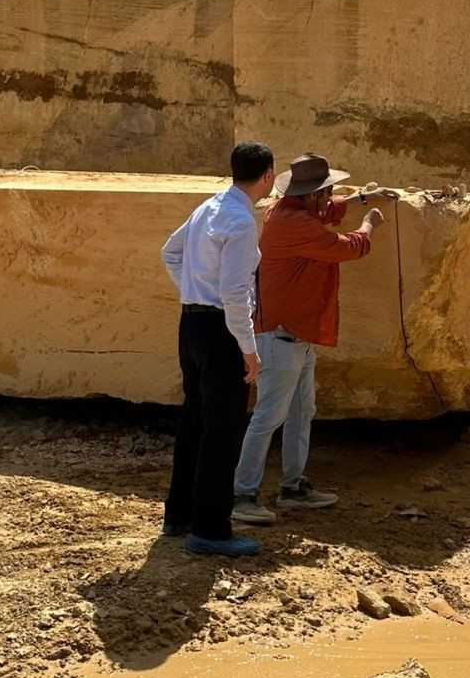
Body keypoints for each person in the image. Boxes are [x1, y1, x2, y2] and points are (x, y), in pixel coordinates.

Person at [233, 153, 397, 525]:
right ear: (308, 195)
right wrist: (370, 223)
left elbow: (328, 212)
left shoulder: (290, 211)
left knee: (301, 411)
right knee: (268, 417)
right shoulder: (295, 222)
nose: (328, 198)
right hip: (281, 335)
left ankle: (292, 488)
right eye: (325, 192)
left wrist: (362, 200)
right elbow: (348, 247)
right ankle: (241, 494)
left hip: (295, 334)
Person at [161, 142, 276, 558]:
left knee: (194, 420)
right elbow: (234, 293)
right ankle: (210, 528)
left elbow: (169, 252)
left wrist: (193, 291)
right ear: (267, 176)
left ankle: (179, 515)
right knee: (222, 431)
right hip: (219, 329)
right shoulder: (242, 222)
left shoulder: (207, 207)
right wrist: (249, 349)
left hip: (191, 324)